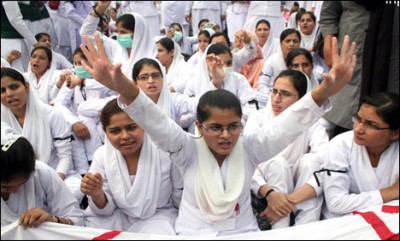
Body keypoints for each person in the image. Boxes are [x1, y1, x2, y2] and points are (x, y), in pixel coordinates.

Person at [77, 32, 356, 236]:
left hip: (243, 232)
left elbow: (287, 126)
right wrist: (122, 86)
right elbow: (154, 121)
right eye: (216, 128)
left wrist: (322, 92)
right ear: (199, 127)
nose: (226, 136)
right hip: (193, 233)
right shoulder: (185, 148)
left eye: (233, 127)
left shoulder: (249, 147)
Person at [80, 98, 181, 235]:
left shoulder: (165, 152)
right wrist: (97, 194)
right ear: (106, 132)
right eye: (115, 131)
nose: (125, 136)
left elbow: (179, 196)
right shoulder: (102, 156)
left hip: (158, 216)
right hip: (118, 216)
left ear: (143, 126)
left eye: (131, 127)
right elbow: (105, 209)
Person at [250, 69, 329, 229]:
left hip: (300, 190)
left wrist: (286, 201)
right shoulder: (258, 118)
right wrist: (270, 194)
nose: (276, 99)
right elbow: (246, 162)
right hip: (266, 188)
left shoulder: (313, 122)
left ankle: (305, 230)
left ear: (301, 99)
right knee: (278, 163)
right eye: (274, 91)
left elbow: (326, 166)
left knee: (311, 162)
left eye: (285, 94)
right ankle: (280, 231)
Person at [1, 67, 84, 203]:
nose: (9, 94)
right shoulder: (2, 121)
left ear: (26, 87)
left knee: (75, 189)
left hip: (56, 173)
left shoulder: (52, 114)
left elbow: (64, 157)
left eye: (14, 87)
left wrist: (52, 182)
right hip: (18, 181)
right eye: (2, 91)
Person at [321, 92, 399, 219]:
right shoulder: (340, 144)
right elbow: (336, 203)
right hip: (343, 223)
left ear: (395, 134)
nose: (358, 129)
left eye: (371, 125)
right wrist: (391, 192)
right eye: (357, 119)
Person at [1, 135, 84, 228]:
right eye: (5, 187)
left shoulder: (41, 173)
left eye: (22, 183)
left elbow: (77, 219)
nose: (15, 191)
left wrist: (53, 220)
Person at [79, 1, 156, 77]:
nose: (120, 36)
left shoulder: (153, 54)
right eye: (118, 32)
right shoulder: (117, 47)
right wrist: (98, 10)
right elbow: (86, 33)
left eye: (123, 32)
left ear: (137, 33)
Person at [256, 28, 301, 109]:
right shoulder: (272, 60)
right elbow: (262, 85)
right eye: (288, 41)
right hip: (273, 98)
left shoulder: (303, 61)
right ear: (280, 43)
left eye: (295, 41)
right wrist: (275, 96)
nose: (291, 44)